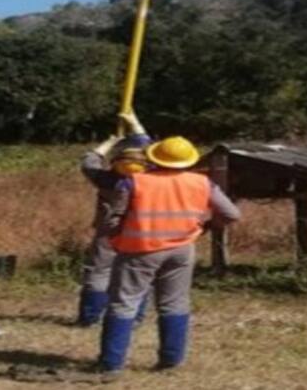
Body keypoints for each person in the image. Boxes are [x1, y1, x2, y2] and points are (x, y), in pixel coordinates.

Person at [98, 135, 240, 374]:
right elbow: (231, 214)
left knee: (124, 304)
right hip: (181, 250)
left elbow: (113, 220)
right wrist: (204, 227)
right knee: (174, 303)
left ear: (155, 157)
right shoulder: (203, 183)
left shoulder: (134, 182)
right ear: (188, 160)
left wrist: (114, 239)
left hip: (138, 251)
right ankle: (170, 361)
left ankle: (111, 364)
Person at [76, 113, 151, 327]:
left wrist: (110, 142)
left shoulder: (107, 180)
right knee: (138, 277)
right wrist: (135, 124)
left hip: (109, 231)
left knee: (99, 273)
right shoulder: (150, 179)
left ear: (117, 163)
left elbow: (89, 161)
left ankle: (90, 317)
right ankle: (134, 318)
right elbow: (153, 151)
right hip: (140, 232)